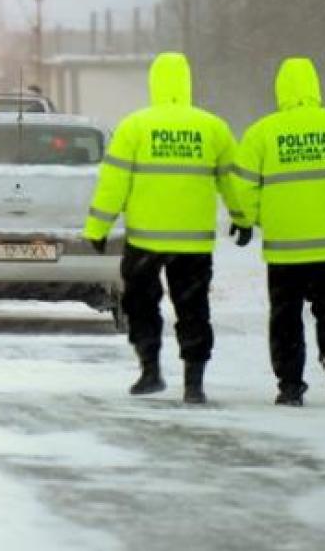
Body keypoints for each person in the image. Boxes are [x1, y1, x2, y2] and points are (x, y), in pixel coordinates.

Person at [83, 52, 250, 404]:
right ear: (188, 82)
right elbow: (232, 180)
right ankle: (194, 382)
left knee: (142, 306)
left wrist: (98, 227)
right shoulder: (212, 127)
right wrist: (242, 217)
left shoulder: (135, 126)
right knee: (193, 310)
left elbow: (113, 183)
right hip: (193, 243)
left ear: (153, 83)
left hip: (146, 239)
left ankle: (150, 370)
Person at [232, 57, 325, 407]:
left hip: (284, 248)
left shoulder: (262, 132)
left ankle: (290, 386)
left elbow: (242, 187)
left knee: (285, 318)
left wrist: (250, 220)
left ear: (280, 90)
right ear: (316, 87)